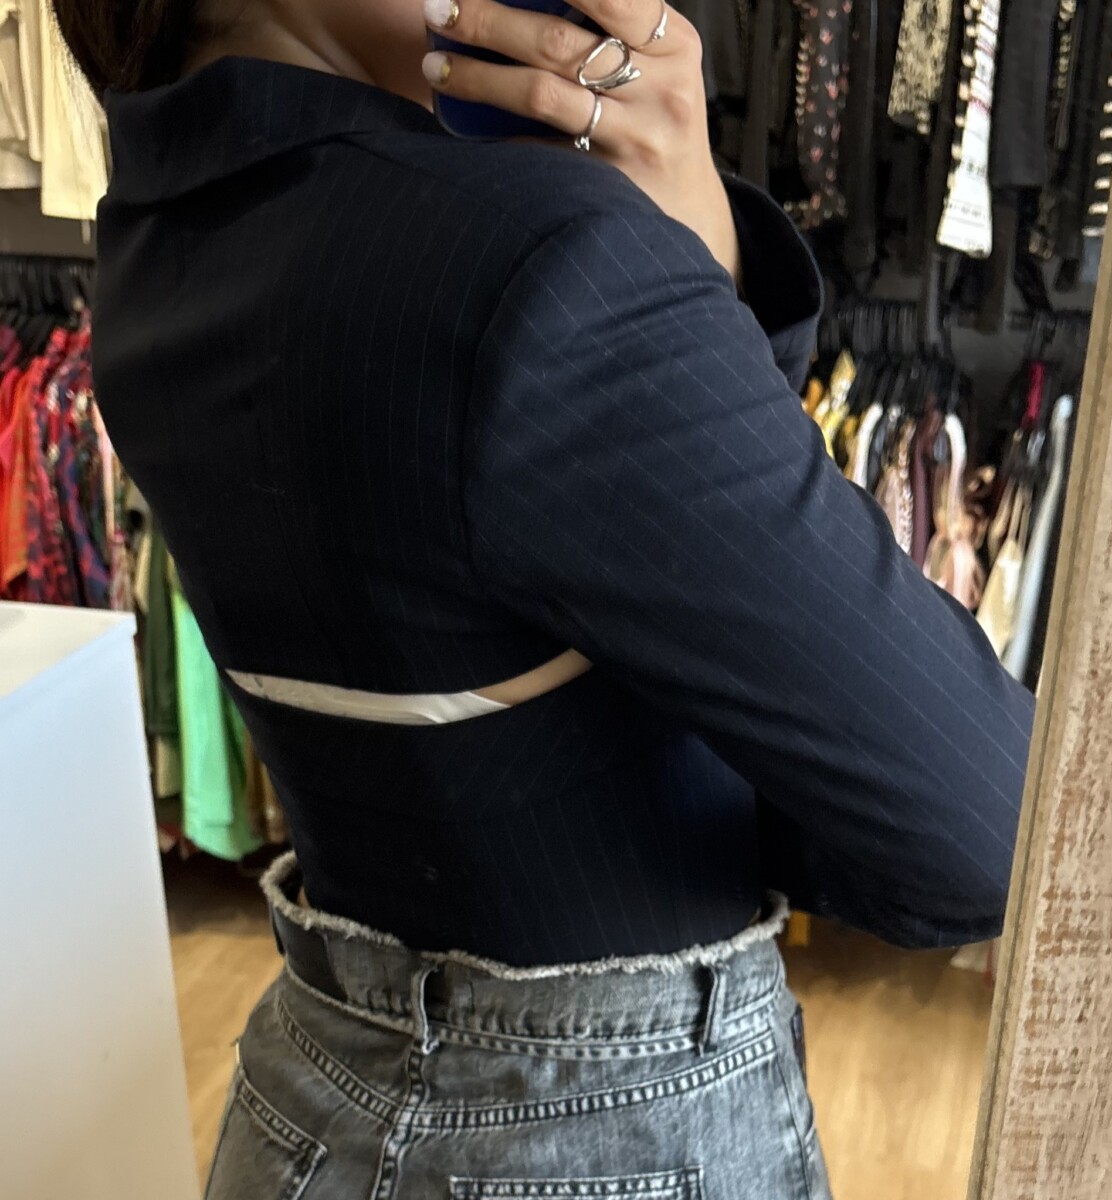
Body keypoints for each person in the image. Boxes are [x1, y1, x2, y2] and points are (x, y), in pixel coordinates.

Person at [54, 1, 1034, 1195]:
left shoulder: (157, 227)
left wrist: (697, 272)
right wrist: (685, 263)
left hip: (313, 1092)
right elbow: (989, 830)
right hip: (603, 1137)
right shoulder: (541, 260)